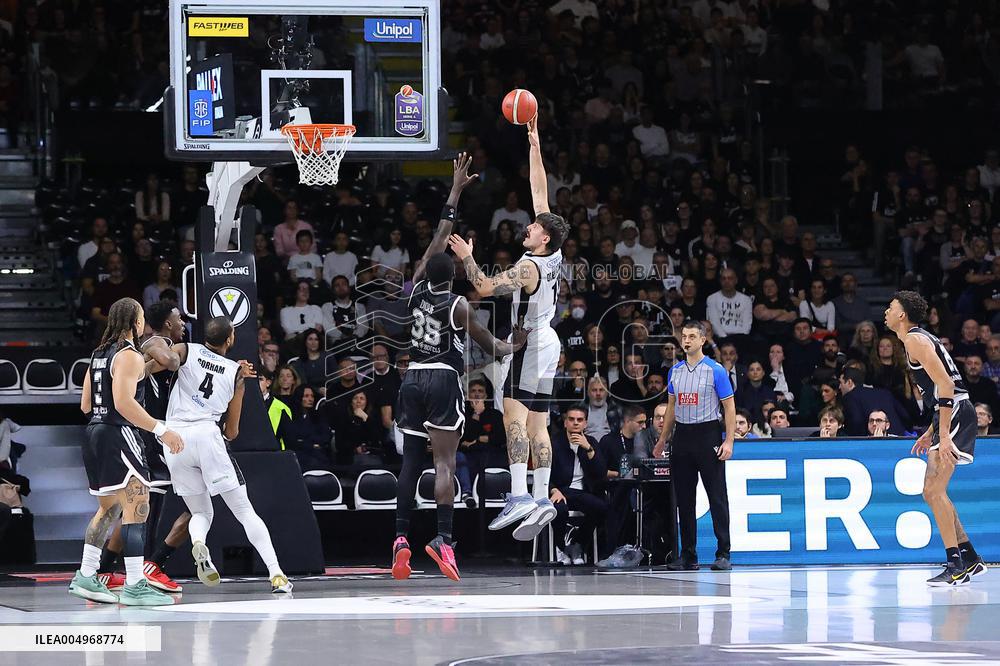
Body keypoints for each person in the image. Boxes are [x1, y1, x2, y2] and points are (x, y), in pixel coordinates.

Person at [393, 152, 522, 582]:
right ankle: (443, 539)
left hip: (412, 377)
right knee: (445, 464)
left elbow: (438, 238)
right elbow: (493, 348)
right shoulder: (458, 304)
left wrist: (453, 193)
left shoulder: (414, 291)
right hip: (444, 379)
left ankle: (400, 538)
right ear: (453, 278)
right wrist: (517, 343)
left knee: (410, 464)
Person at [449, 116, 571, 543]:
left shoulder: (528, 267)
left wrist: (466, 256)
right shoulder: (554, 251)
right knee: (540, 424)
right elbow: (541, 192)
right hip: (549, 340)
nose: (529, 226)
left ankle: (518, 494)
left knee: (513, 418)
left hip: (528, 342)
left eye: (534, 228)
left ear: (543, 239)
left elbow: (483, 287)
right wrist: (535, 144)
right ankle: (541, 498)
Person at [159, 316, 292, 593]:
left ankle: (199, 543)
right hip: (207, 436)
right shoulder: (235, 372)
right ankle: (277, 574)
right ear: (230, 339)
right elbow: (232, 431)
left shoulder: (186, 350)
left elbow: (166, 360)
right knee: (245, 511)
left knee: (200, 511)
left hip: (174, 438)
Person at [71, 298, 184, 606]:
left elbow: (85, 404)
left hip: (94, 432)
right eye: (142, 316)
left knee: (108, 510)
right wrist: (162, 430)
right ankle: (135, 584)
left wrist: (141, 371)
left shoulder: (98, 355)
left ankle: (86, 575)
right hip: (119, 433)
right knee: (138, 507)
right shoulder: (129, 354)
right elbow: (123, 403)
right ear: (136, 322)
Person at [885, 291, 986, 586]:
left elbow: (946, 385)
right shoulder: (918, 339)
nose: (886, 312)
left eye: (891, 307)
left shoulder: (914, 340)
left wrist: (942, 433)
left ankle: (956, 565)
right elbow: (940, 389)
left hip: (954, 411)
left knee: (933, 491)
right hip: (949, 413)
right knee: (933, 491)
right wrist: (930, 432)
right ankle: (969, 557)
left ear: (902, 314)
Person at [97, 301, 191, 594]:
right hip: (152, 433)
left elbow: (152, 371)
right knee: (144, 508)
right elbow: (171, 362)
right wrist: (174, 352)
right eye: (179, 319)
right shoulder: (155, 342)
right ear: (167, 324)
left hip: (155, 431)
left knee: (136, 508)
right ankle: (146, 570)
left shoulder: (137, 352)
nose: (183, 324)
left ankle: (105, 569)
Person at [654, 320, 736, 571]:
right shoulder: (675, 371)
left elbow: (729, 407)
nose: (687, 341)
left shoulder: (715, 370)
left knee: (716, 496)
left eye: (692, 336)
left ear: (702, 340)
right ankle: (688, 554)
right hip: (682, 435)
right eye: (684, 336)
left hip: (707, 433)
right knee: (684, 498)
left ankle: (723, 553)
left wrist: (728, 440)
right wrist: (662, 439)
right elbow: (671, 408)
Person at [548, 405, 607, 565]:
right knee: (559, 509)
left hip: (583, 492)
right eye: (571, 419)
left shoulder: (591, 442)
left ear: (585, 424)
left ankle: (577, 544)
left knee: (601, 508)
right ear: (565, 422)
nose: (575, 423)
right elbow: (544, 472)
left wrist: (588, 449)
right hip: (560, 491)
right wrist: (553, 489)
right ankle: (560, 547)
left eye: (579, 420)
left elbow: (601, 473)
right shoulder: (554, 443)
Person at [596, 404, 649, 568]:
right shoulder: (608, 441)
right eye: (640, 422)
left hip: (642, 488)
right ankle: (612, 550)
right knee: (623, 493)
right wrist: (621, 474)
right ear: (627, 421)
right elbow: (600, 471)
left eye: (645, 422)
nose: (644, 426)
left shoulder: (645, 440)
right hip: (616, 488)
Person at [838, 366, 910, 436]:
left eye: (841, 383)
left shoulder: (850, 397)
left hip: (873, 439)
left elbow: (856, 421)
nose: (839, 387)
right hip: (899, 438)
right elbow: (905, 416)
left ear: (849, 382)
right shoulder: (884, 392)